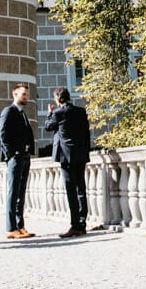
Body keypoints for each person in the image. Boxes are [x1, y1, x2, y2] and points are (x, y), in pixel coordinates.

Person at [44, 86, 91, 238]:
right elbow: (85, 133)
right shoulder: (80, 111)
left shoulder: (58, 113)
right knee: (81, 189)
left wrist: (49, 113)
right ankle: (82, 222)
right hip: (80, 155)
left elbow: (48, 127)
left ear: (57, 99)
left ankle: (75, 225)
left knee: (71, 191)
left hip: (66, 156)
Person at [0, 82, 35, 238]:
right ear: (15, 95)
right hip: (16, 157)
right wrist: (11, 154)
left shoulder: (21, 112)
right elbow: (2, 134)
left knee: (21, 192)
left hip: (25, 156)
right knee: (13, 193)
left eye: (27, 94)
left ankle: (20, 226)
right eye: (23, 94)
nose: (26, 97)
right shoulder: (9, 111)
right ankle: (11, 228)